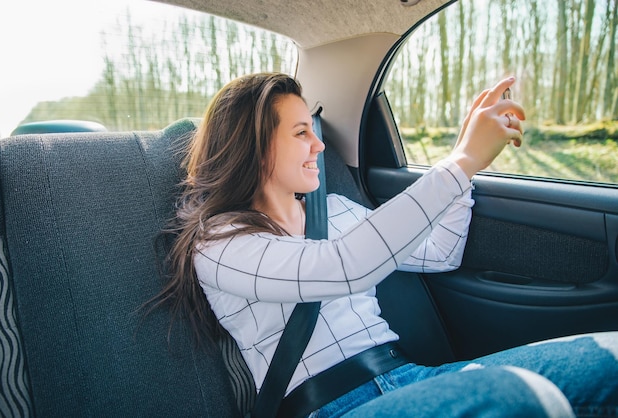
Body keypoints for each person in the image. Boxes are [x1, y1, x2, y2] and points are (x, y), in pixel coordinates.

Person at [153, 72, 617, 417]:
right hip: (332, 408)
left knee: (606, 358)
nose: (318, 145)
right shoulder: (219, 244)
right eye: (300, 133)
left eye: (312, 130)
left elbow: (440, 252)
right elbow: (342, 268)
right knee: (514, 400)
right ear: (253, 147)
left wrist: (464, 170)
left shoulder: (334, 208)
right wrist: (460, 161)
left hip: (412, 380)